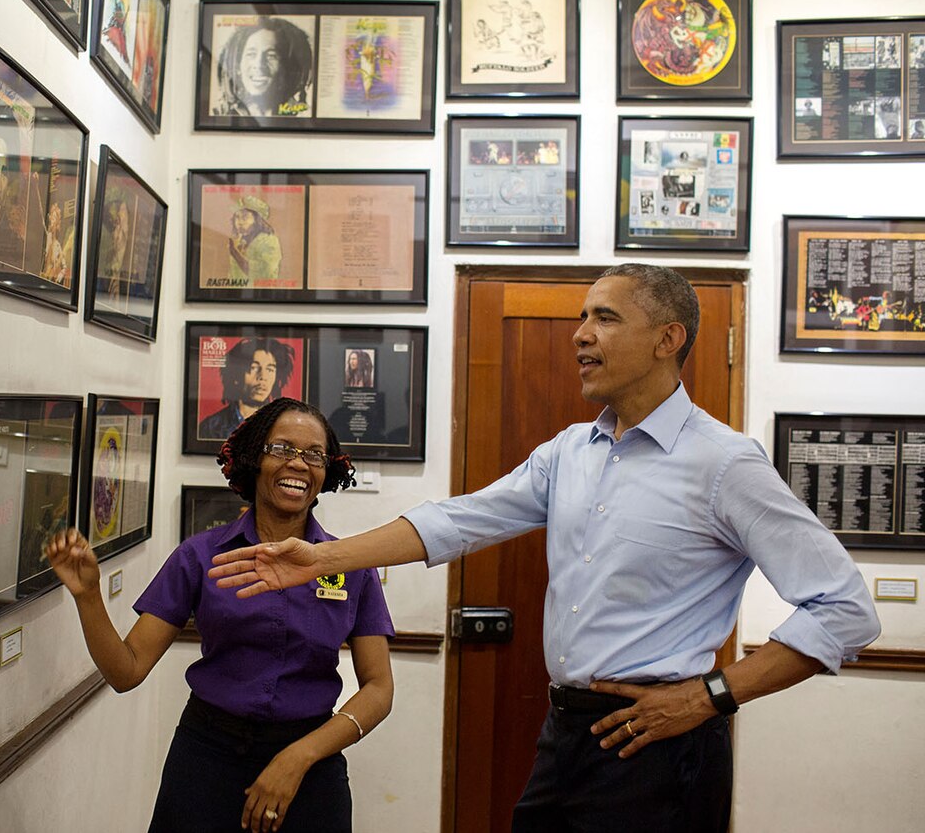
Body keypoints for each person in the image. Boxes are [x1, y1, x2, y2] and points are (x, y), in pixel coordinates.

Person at [210, 264, 881, 832]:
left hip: (662, 745)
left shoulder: (724, 463)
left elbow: (845, 607)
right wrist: (323, 556)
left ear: (667, 339)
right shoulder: (569, 451)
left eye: (606, 318)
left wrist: (711, 695)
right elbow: (460, 519)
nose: (581, 334)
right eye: (582, 316)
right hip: (566, 735)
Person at [47, 399, 394, 832]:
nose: (299, 464)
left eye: (314, 454)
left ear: (328, 469)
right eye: (282, 449)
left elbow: (379, 689)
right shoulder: (199, 556)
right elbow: (126, 671)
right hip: (206, 761)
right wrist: (88, 596)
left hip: (312, 765)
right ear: (253, 458)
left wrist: (299, 756)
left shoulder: (348, 564)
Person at [198, 337, 296, 442]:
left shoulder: (284, 426)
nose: (263, 377)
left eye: (270, 369)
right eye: (254, 368)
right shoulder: (211, 427)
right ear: (236, 375)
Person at [213, 17, 313, 117]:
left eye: (271, 56)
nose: (259, 65)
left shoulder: (304, 116)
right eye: (251, 54)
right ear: (238, 66)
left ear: (288, 67)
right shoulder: (220, 115)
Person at [229, 195, 282, 283]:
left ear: (258, 220)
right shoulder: (240, 241)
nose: (239, 222)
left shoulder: (269, 241)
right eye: (237, 217)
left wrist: (235, 253)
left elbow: (265, 274)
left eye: (245, 217)